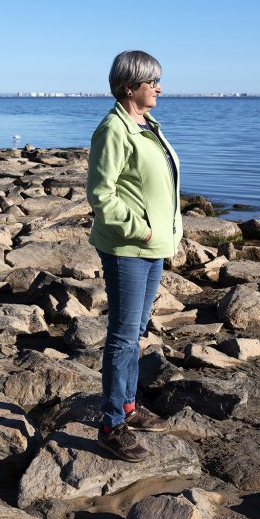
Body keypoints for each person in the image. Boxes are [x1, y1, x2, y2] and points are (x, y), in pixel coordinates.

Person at [86, 50, 183, 462]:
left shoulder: (148, 126)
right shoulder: (113, 129)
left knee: (137, 331)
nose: (159, 88)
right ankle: (110, 425)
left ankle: (128, 403)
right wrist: (140, 229)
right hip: (129, 247)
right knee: (123, 337)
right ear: (130, 87)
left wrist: (170, 231)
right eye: (152, 82)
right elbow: (101, 194)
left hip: (154, 246)